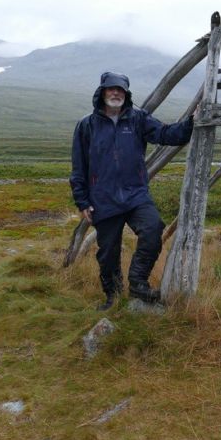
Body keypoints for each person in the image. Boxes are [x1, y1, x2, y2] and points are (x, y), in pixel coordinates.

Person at [70, 72, 194, 310]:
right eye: (111, 89)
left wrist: (191, 122)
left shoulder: (138, 119)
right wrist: (82, 201)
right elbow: (78, 167)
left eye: (120, 90)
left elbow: (165, 134)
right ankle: (113, 297)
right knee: (108, 253)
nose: (115, 93)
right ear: (102, 92)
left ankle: (138, 282)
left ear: (126, 94)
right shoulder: (87, 125)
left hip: (135, 195)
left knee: (153, 229)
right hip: (103, 199)